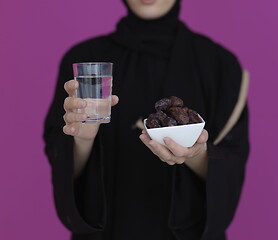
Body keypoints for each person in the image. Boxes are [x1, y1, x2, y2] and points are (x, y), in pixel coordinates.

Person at [43, 0, 250, 239]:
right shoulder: (86, 61)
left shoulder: (219, 65)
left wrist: (196, 154)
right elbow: (62, 163)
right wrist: (82, 140)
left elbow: (232, 165)